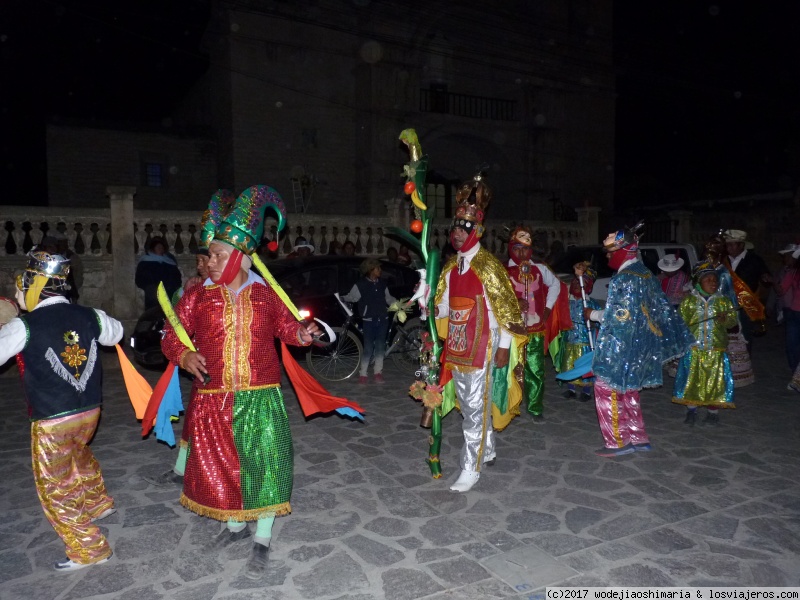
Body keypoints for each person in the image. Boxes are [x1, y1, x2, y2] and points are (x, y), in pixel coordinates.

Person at [159, 185, 320, 579]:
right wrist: (184, 354)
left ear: (241, 258)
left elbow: (288, 330)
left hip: (260, 396)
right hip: (212, 398)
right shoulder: (197, 297)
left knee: (266, 466)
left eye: (217, 255)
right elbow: (170, 335)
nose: (209, 261)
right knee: (222, 468)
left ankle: (262, 538)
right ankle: (233, 528)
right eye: (209, 255)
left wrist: (305, 334)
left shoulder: (266, 296)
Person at [0, 249, 123, 571]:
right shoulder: (91, 315)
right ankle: (97, 502)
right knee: (78, 454)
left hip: (52, 418)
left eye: (20, 288)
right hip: (89, 411)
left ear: (34, 286)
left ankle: (89, 548)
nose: (18, 294)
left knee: (54, 487)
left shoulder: (22, 327)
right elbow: (117, 333)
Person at [434, 171, 526, 492]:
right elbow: (443, 308)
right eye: (455, 227)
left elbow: (504, 312)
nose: (457, 233)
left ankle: (469, 467)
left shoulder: (489, 267)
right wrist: (429, 307)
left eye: (464, 228)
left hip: (482, 347)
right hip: (457, 348)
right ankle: (486, 449)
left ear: (478, 230)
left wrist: (503, 346)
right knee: (471, 404)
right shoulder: (449, 267)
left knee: (473, 409)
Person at [580, 221, 693, 457]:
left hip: (622, 345)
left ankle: (617, 442)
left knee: (606, 389)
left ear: (622, 252)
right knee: (629, 390)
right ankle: (638, 436)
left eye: (610, 252)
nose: (607, 257)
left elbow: (620, 317)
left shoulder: (625, 279)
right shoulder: (644, 272)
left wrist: (593, 314)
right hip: (640, 344)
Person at [503, 225, 565, 421]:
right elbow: (495, 296)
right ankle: (510, 405)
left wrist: (547, 309)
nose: (521, 253)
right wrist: (514, 301)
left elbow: (555, 284)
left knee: (536, 369)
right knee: (510, 369)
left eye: (525, 248)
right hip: (511, 332)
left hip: (536, 330)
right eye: (517, 248)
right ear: (510, 248)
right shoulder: (502, 271)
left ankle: (535, 407)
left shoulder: (540, 269)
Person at [672, 261, 737, 426]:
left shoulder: (723, 301)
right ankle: (691, 411)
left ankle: (712, 412)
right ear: (698, 282)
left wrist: (726, 319)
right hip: (694, 350)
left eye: (715, 280)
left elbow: (732, 322)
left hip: (715, 349)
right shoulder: (689, 302)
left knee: (715, 382)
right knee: (692, 381)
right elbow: (680, 323)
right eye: (708, 280)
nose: (713, 283)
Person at [704, 233, 754, 388]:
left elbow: (730, 294)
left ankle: (723, 375)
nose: (708, 257)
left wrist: (730, 313)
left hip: (720, 311)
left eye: (712, 254)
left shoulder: (723, 272)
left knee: (722, 344)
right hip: (704, 310)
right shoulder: (703, 269)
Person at [341, 258, 397, 384]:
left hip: (383, 319)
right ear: (370, 270)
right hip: (368, 320)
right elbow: (353, 297)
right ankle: (363, 373)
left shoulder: (382, 283)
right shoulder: (360, 285)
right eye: (378, 268)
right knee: (368, 347)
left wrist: (398, 304)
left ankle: (378, 372)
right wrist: (341, 297)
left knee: (380, 346)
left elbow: (388, 299)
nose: (380, 270)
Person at [560, 263, 601, 402]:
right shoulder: (567, 303)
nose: (577, 286)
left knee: (584, 365)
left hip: (585, 340)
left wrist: (593, 322)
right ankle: (571, 388)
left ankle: (586, 390)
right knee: (570, 363)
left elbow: (599, 320)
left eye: (581, 283)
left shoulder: (592, 304)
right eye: (575, 282)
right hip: (570, 339)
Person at [722, 229, 771, 345]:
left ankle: (744, 362)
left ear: (741, 245)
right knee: (725, 337)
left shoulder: (754, 260)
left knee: (744, 338)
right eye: (727, 245)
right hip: (726, 303)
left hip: (745, 306)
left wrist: (766, 278)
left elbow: (766, 277)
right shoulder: (723, 260)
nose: (729, 247)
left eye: (732, 244)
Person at [773, 245, 800, 372]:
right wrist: (773, 281)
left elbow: (780, 290)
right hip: (794, 311)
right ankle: (796, 374)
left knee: (793, 344)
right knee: (792, 345)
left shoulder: (793, 272)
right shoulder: (793, 272)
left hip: (794, 311)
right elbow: (781, 290)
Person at [135, 237, 182, 310]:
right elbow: (140, 279)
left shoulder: (170, 262)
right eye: (158, 247)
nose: (160, 248)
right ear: (153, 248)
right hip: (154, 293)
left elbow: (177, 278)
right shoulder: (145, 262)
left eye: (161, 247)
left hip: (170, 290)